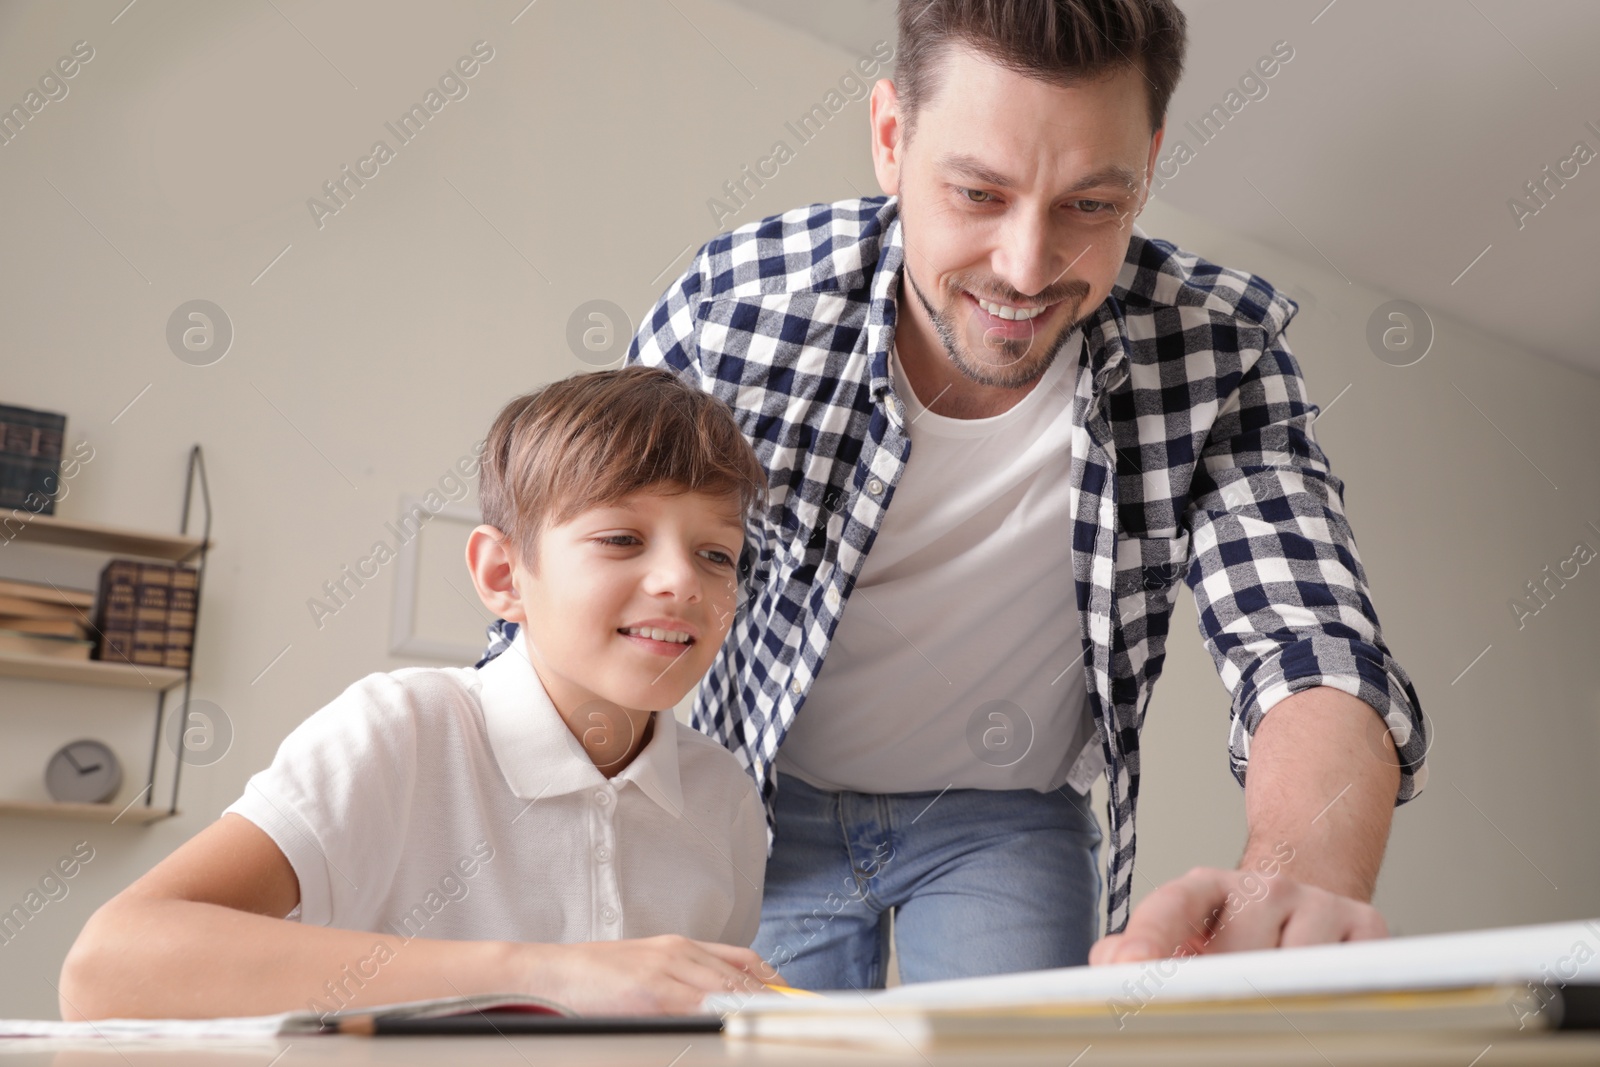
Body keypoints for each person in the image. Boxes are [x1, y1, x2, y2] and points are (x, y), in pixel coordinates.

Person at [480, 0, 1429, 991]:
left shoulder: (1216, 353)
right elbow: (573, 586)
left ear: (1146, 165)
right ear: (891, 139)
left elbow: (1305, 638)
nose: (1026, 267)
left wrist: (1293, 880)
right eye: (978, 193)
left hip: (1003, 818)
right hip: (756, 798)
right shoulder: (736, 306)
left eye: (1090, 207)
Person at [59, 367, 778, 1019]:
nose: (681, 582)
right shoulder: (402, 730)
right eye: (622, 538)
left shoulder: (725, 798)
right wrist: (548, 975)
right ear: (503, 575)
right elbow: (106, 968)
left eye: (716, 554)